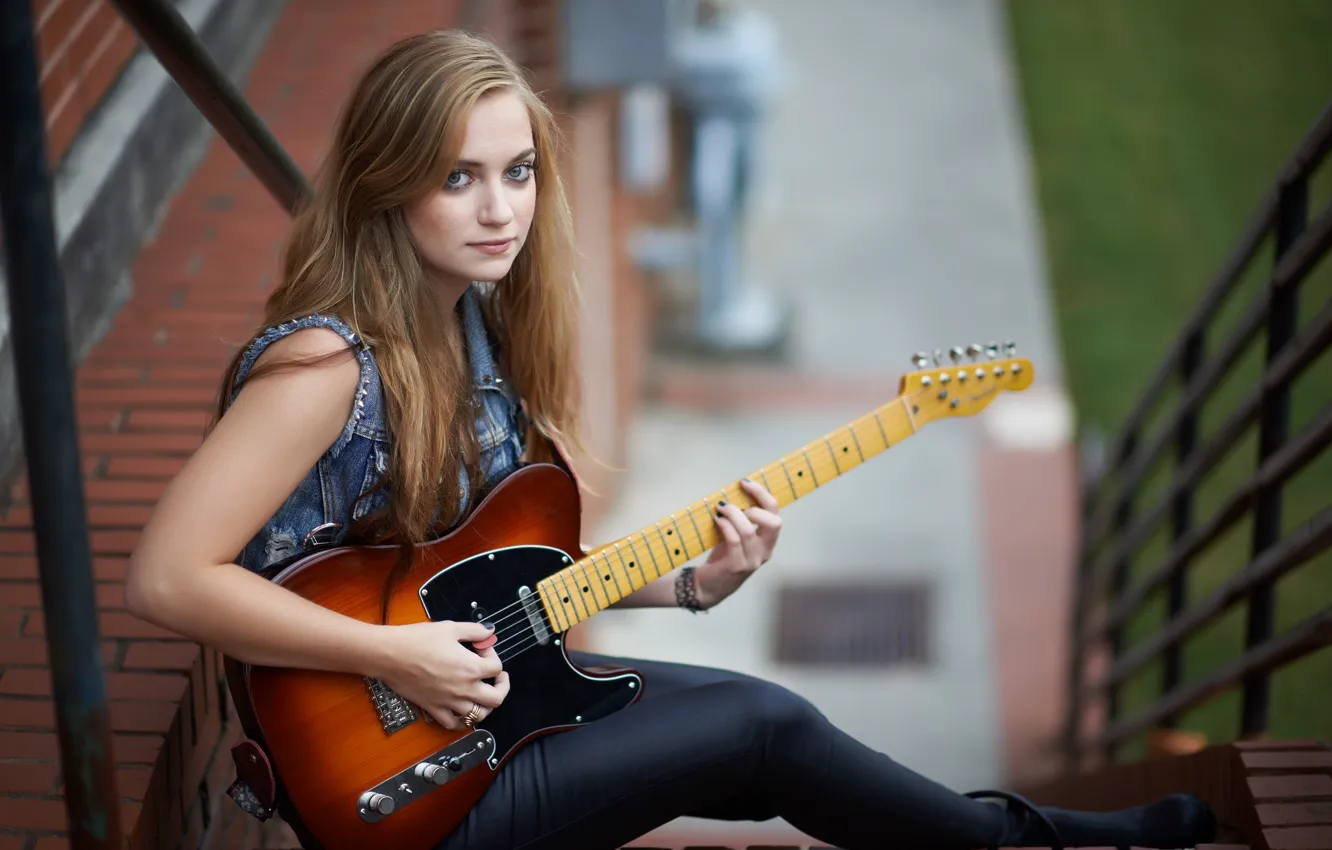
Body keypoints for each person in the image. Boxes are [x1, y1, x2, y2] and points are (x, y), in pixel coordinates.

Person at [125, 30, 1218, 850]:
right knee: (761, 722)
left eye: (517, 170)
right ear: (384, 183)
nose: (499, 207)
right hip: (390, 789)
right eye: (457, 176)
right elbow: (167, 578)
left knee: (774, 749)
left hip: (487, 705)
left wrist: (687, 586)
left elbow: (489, 590)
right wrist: (392, 654)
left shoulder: (477, 329)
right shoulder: (324, 372)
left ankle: (1034, 836)